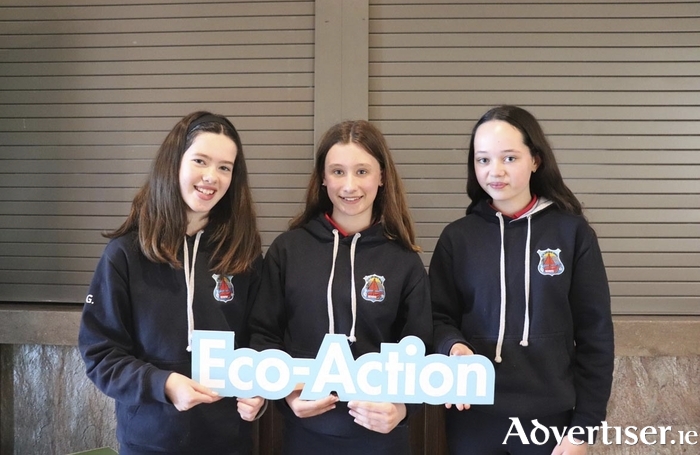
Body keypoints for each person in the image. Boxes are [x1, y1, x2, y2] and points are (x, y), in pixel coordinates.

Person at [430, 105, 614, 455]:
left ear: (535, 160)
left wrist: (585, 428)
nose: (495, 171)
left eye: (509, 158)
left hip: (549, 421)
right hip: (471, 417)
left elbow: (596, 335)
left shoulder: (573, 234)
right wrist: (452, 346)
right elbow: (436, 317)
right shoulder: (457, 238)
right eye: (483, 160)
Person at [79, 111, 265, 455]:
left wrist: (259, 388)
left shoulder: (243, 252)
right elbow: (101, 354)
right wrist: (163, 384)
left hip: (229, 441)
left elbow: (261, 336)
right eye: (200, 161)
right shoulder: (125, 254)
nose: (211, 177)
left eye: (225, 167)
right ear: (174, 163)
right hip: (148, 441)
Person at [249, 120, 432, 454]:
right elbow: (264, 335)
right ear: (322, 178)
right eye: (337, 172)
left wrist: (402, 409)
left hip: (382, 439)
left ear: (382, 177)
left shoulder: (404, 260)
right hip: (303, 436)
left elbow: (421, 350)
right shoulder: (288, 250)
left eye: (362, 171)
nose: (349, 185)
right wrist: (287, 394)